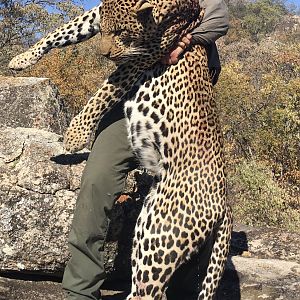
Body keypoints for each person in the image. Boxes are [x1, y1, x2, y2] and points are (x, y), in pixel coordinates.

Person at [62, 0, 229, 299]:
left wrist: (181, 39)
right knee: (98, 178)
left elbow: (218, 16)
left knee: (194, 189)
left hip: (180, 101)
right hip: (132, 92)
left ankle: (174, 286)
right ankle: (80, 290)